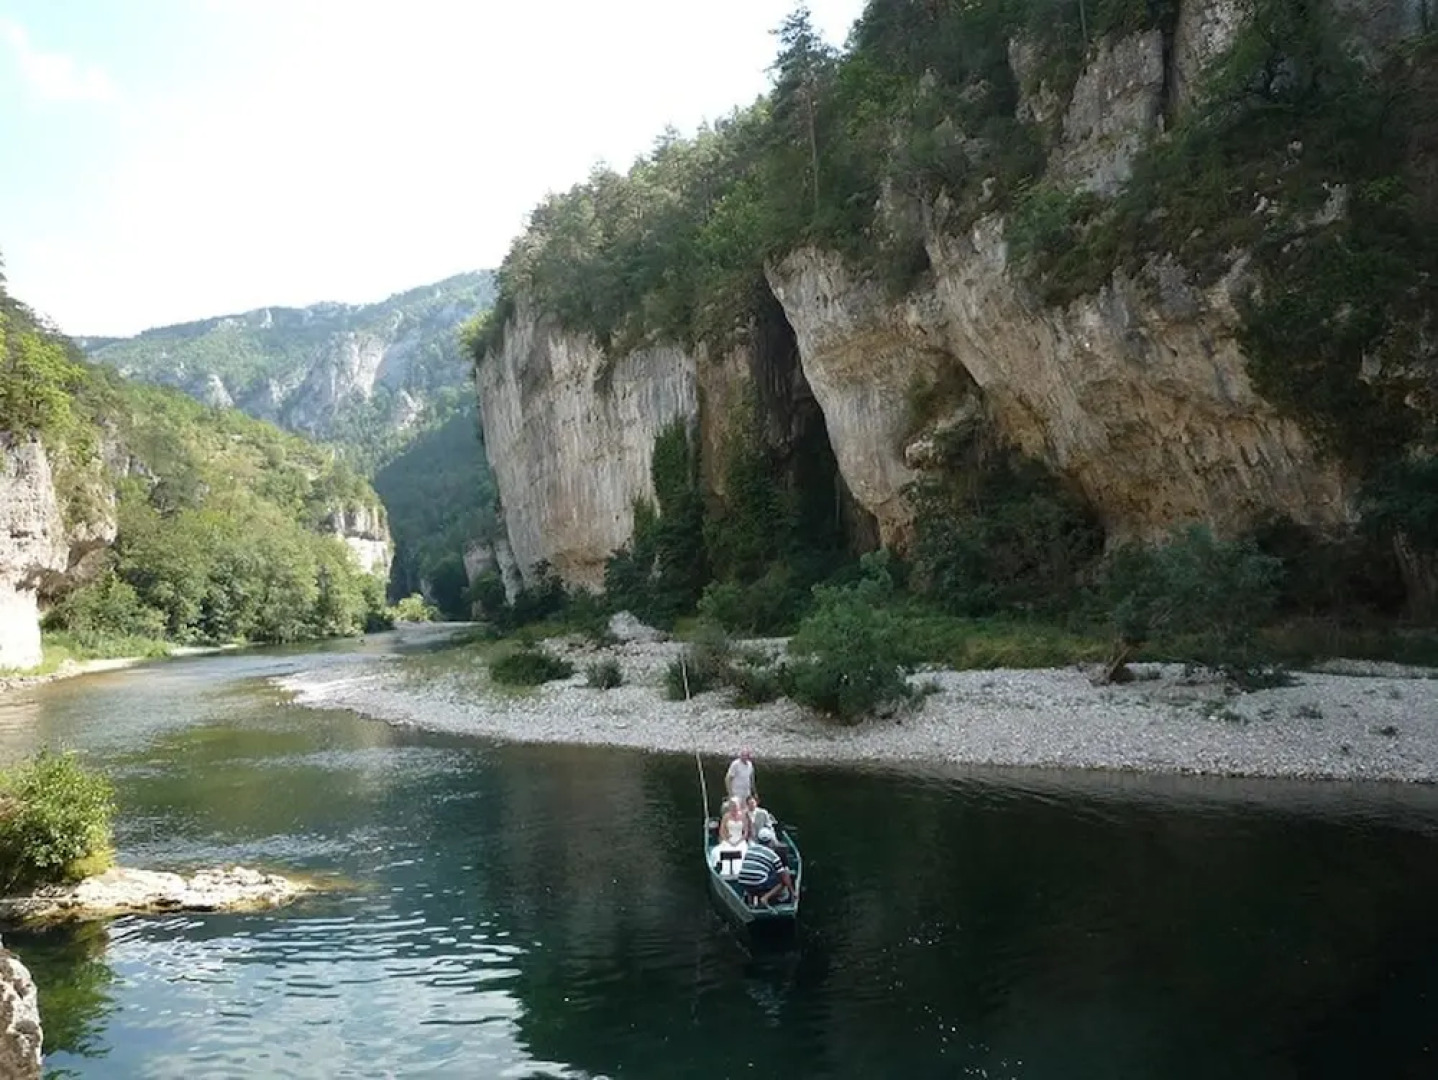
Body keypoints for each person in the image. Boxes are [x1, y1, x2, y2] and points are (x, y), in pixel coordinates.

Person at [736, 826, 794, 907]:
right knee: (783, 881)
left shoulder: (750, 849)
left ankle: (750, 903)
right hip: (758, 883)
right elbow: (784, 877)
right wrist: (792, 892)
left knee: (752, 878)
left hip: (742, 881)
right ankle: (765, 898)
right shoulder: (773, 855)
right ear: (770, 841)